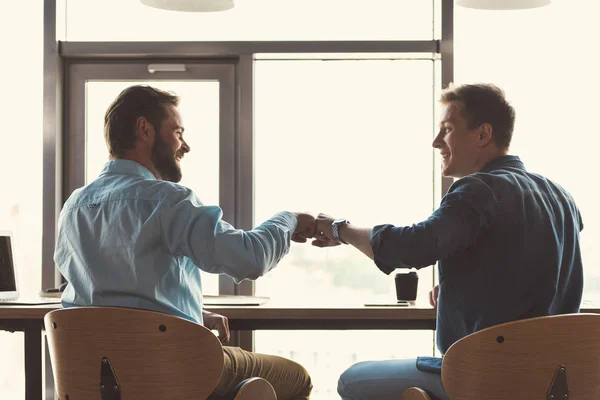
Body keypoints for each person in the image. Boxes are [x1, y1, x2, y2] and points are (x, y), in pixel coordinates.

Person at [312, 83, 584, 400]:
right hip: (551, 380)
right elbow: (533, 275)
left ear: (483, 134)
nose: (436, 142)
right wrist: (462, 294)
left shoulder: (479, 189)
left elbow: (409, 247)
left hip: (488, 375)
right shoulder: (560, 196)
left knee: (351, 380)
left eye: (448, 129)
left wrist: (338, 229)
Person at [54, 85, 314, 400]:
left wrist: (192, 315)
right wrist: (289, 220)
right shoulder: (166, 200)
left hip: (96, 378)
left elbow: (109, 300)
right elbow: (250, 257)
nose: (185, 145)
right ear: (144, 129)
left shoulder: (74, 207)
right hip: (170, 370)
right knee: (296, 378)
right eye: (178, 132)